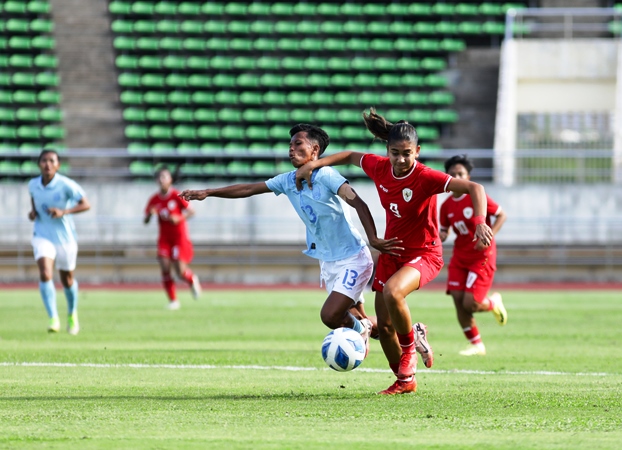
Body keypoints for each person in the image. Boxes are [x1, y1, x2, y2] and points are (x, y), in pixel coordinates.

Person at [295, 108, 494, 395]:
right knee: (385, 328)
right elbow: (351, 156)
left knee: (392, 291)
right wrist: (314, 166)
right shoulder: (379, 167)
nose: (401, 160)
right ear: (387, 151)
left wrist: (478, 222)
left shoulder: (426, 177)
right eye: (395, 153)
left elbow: (475, 188)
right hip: (392, 251)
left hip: (425, 253)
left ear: (418, 151)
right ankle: (404, 380)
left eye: (407, 153)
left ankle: (410, 349)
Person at [179, 124, 402, 354]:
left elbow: (358, 202)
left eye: (298, 144)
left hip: (352, 257)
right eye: (290, 145)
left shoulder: (326, 175)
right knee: (357, 320)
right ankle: (411, 333)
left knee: (330, 315)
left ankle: (361, 331)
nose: (291, 149)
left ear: (315, 150)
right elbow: (248, 188)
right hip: (328, 263)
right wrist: (208, 192)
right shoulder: (287, 180)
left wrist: (373, 238)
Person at [439, 155, 508, 357]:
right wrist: (442, 234)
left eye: (460, 174)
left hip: (481, 256)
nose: (457, 177)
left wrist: (488, 235)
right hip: (460, 257)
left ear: (467, 176)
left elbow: (502, 215)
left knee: (471, 303)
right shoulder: (446, 206)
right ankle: (476, 344)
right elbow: (446, 230)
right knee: (458, 300)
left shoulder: (477, 196)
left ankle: (493, 302)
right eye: (452, 174)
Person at [28, 149, 91, 334]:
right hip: (42, 235)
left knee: (67, 279)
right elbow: (34, 202)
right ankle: (53, 317)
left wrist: (64, 212)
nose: (47, 164)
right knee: (45, 273)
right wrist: (33, 213)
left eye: (51, 161)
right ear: (39, 164)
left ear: (58, 165)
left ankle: (72, 314)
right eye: (44, 160)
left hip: (65, 239)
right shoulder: (32, 185)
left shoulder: (65, 185)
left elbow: (86, 204)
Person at [144, 166, 201, 310]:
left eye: (165, 177)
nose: (162, 180)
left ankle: (191, 278)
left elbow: (192, 211)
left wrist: (179, 218)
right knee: (164, 266)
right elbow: (145, 220)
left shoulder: (177, 196)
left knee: (180, 271)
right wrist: (150, 215)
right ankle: (173, 300)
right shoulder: (154, 199)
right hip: (164, 238)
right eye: (160, 177)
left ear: (170, 180)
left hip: (178, 237)